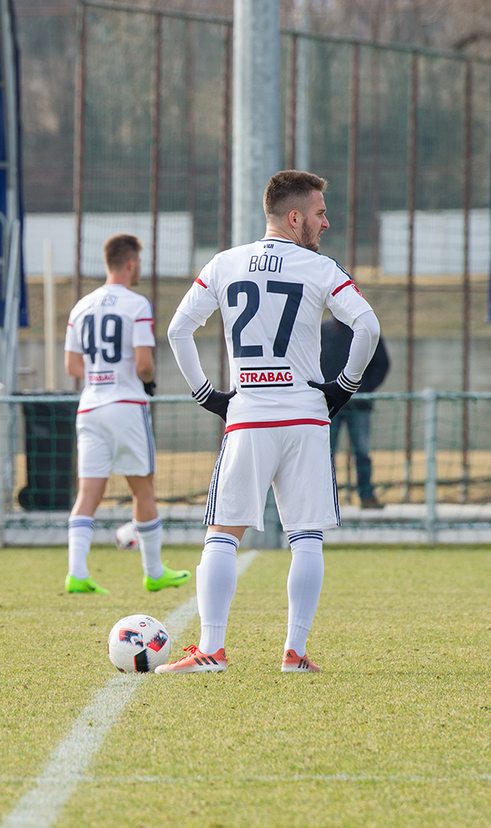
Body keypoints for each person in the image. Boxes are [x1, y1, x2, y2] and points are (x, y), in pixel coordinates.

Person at [161, 170, 381, 675]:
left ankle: (212, 650)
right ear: (295, 217)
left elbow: (178, 330)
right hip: (305, 415)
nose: (326, 222)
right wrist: (344, 386)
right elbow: (367, 327)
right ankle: (294, 653)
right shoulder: (320, 268)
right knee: (306, 537)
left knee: (222, 534)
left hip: (249, 416)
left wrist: (206, 394)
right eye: (320, 213)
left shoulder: (224, 263)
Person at [62, 233, 191, 595]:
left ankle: (77, 573)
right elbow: (144, 364)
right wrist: (142, 379)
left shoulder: (81, 306)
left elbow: (72, 365)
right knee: (143, 489)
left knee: (88, 492)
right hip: (126, 406)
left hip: (90, 407)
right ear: (131, 263)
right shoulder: (137, 304)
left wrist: (100, 374)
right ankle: (154, 572)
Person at [320, 316, 390, 509]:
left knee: (362, 451)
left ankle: (366, 495)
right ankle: (325, 499)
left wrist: (364, 388)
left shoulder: (365, 329)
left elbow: (382, 363)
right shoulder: (323, 330)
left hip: (358, 405)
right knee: (325, 453)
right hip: (329, 406)